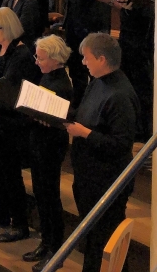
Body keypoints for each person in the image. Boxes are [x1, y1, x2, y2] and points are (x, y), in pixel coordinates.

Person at [66, 33, 139, 272]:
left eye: (86, 58)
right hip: (88, 174)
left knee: (105, 241)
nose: (83, 63)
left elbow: (120, 144)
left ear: (101, 59)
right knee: (93, 239)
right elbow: (84, 112)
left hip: (107, 179)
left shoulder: (120, 95)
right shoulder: (97, 81)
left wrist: (84, 133)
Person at [0, 7, 39, 244]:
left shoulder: (22, 54)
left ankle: (20, 224)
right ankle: (3, 217)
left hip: (11, 123)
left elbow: (17, 89)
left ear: (8, 28)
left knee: (11, 174)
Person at [97, 0, 156, 138]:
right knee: (131, 85)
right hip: (129, 38)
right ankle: (133, 130)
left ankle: (146, 134)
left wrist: (139, 1)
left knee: (145, 91)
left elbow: (151, 7)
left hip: (146, 42)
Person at [23, 36, 73, 271]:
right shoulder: (47, 75)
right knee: (41, 194)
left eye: (40, 58)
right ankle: (46, 241)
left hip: (51, 145)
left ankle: (56, 247)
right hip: (38, 141)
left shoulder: (62, 84)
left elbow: (60, 118)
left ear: (55, 59)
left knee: (50, 195)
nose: (36, 62)